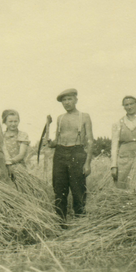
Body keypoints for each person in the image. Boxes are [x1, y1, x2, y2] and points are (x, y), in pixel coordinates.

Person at [46, 89, 94, 223]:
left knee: (78, 189)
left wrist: (88, 163)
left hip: (77, 153)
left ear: (76, 100)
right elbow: (56, 141)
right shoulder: (60, 118)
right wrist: (49, 138)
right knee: (59, 188)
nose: (66, 103)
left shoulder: (84, 116)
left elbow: (90, 140)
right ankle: (60, 221)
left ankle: (80, 221)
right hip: (60, 154)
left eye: (69, 99)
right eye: (64, 100)